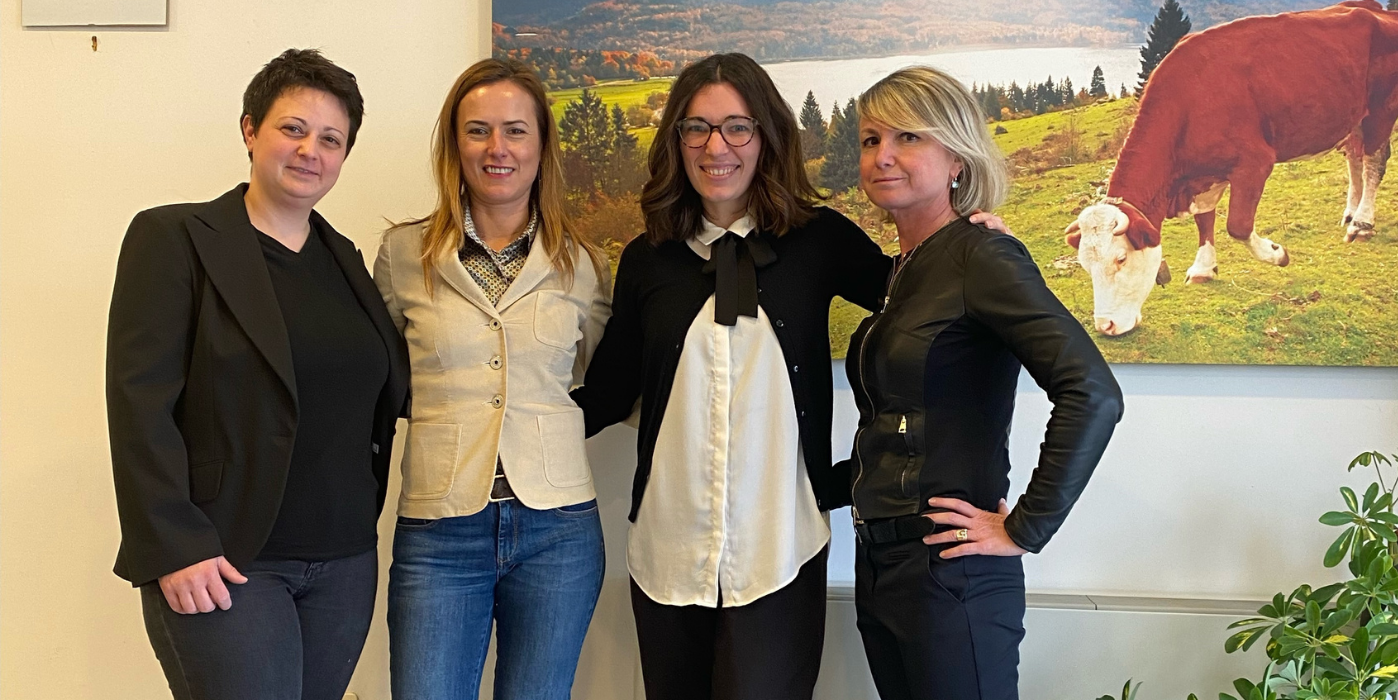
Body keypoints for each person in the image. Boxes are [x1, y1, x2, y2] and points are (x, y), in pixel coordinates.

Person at [570, 53, 1008, 700]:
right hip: (667, 552)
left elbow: (919, 304)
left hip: (780, 548)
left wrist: (969, 246)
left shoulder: (818, 238)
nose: (716, 147)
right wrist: (512, 427)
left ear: (767, 136)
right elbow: (609, 391)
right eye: (696, 128)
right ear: (676, 141)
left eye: (737, 127)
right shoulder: (647, 259)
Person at [106, 48, 409, 700]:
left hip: (344, 563)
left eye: (330, 139)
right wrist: (174, 543)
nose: (309, 151)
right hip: (227, 559)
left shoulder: (346, 261)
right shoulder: (175, 238)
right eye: (292, 129)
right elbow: (139, 403)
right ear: (250, 130)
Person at [844, 66, 1124, 700]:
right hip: (884, 566)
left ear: (956, 159)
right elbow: (898, 427)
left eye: (908, 136)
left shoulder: (982, 256)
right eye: (870, 139)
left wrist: (1024, 528)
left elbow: (1092, 393)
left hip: (953, 576)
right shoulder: (905, 272)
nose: (882, 155)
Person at [375, 58, 611, 700]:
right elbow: (382, 379)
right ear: (455, 145)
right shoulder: (402, 254)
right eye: (477, 130)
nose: (496, 148)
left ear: (541, 146)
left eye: (515, 130)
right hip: (440, 529)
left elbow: (595, 378)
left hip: (558, 530)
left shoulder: (584, 265)